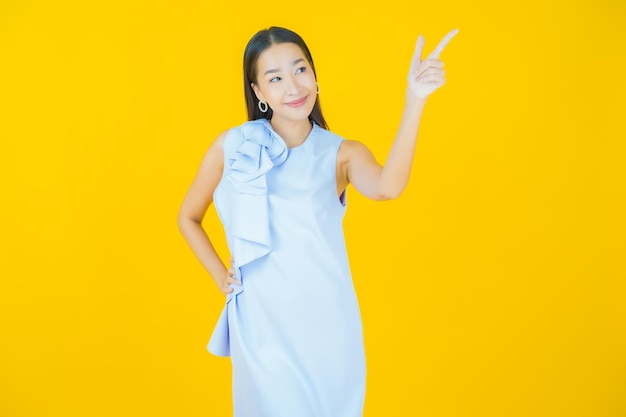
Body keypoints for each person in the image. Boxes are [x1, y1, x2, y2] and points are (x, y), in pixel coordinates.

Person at [178, 26, 458, 417]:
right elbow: (189, 216)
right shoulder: (232, 145)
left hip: (328, 325)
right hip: (261, 325)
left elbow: (387, 187)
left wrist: (415, 100)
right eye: (274, 78)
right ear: (258, 92)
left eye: (300, 70)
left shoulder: (341, 153)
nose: (293, 87)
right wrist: (219, 274)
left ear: (314, 73)